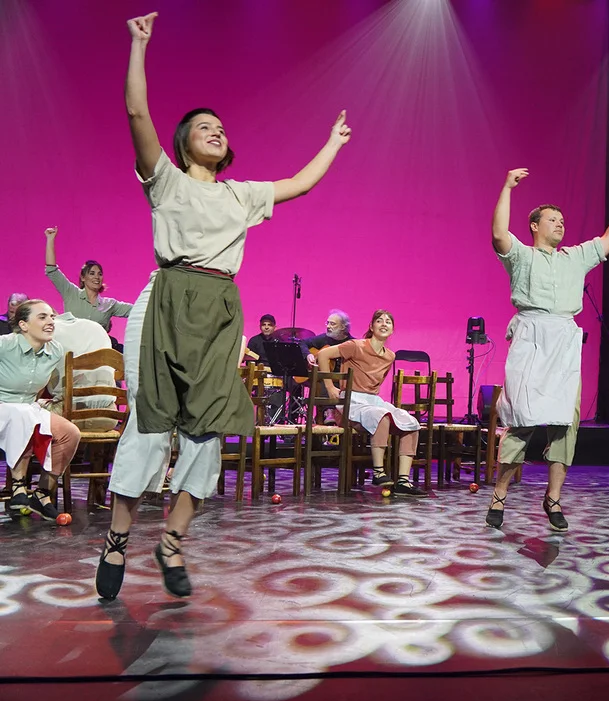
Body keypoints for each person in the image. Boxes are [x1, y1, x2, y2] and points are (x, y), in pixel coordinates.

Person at [96, 11, 351, 601]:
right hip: (166, 300)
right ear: (183, 141)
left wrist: (332, 144)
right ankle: (116, 539)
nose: (215, 131)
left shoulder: (241, 194)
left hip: (218, 309)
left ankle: (172, 542)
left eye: (220, 127)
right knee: (151, 424)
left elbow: (301, 183)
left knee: (208, 430)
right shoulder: (164, 179)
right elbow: (136, 113)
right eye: (203, 127)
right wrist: (139, 46)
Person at [487, 168, 609, 531]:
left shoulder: (575, 257)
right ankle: (500, 494)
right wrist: (507, 187)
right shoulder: (522, 256)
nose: (560, 224)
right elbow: (498, 234)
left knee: (565, 423)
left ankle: (554, 497)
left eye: (562, 220)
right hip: (531, 337)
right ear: (534, 225)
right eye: (552, 220)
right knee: (521, 419)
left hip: (563, 341)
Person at [317, 310, 426, 496]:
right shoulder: (355, 346)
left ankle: (403, 481)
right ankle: (378, 472)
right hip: (350, 402)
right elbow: (323, 355)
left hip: (372, 402)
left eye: (388, 322)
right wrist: (330, 387)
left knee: (411, 422)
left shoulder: (390, 356)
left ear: (392, 329)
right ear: (371, 326)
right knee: (381, 416)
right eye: (379, 321)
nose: (384, 324)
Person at [0, 300, 81, 521]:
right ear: (23, 325)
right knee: (22, 415)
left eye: (52, 317)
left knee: (70, 433)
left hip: (27, 407)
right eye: (42, 317)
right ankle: (18, 487)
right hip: (3, 406)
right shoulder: (5, 345)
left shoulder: (55, 350)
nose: (51, 322)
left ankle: (42, 492)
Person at [44, 227, 134, 346]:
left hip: (98, 351)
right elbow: (52, 270)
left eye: (100, 274)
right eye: (92, 273)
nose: (96, 277)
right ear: (83, 277)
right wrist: (50, 239)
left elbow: (135, 310)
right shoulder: (71, 293)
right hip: (71, 350)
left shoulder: (109, 304)